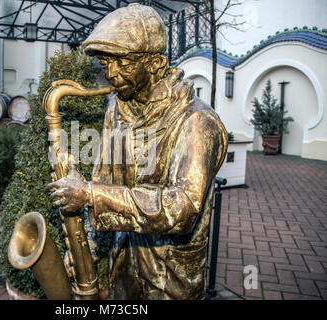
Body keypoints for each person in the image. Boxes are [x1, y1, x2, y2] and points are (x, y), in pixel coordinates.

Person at [46, 3, 228, 300]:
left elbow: (183, 208)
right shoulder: (116, 111)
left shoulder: (197, 122)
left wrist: (91, 194)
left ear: (155, 62)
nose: (112, 74)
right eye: (106, 64)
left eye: (124, 63)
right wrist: (86, 245)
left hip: (171, 282)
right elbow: (103, 177)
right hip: (124, 270)